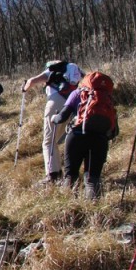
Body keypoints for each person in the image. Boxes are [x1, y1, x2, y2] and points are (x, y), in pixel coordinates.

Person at [50, 71, 118, 199]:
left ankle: (68, 209)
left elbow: (62, 117)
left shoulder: (77, 93)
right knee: (92, 180)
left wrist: (54, 117)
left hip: (77, 136)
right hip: (100, 139)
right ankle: (92, 210)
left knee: (70, 176)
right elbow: (114, 130)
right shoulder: (108, 97)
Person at [22, 59, 83, 184]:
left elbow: (32, 81)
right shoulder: (75, 69)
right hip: (74, 103)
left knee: (48, 141)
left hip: (55, 103)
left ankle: (53, 175)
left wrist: (25, 88)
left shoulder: (50, 71)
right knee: (64, 137)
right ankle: (69, 173)